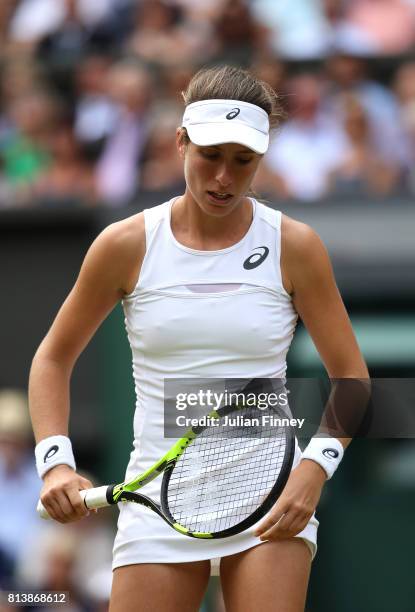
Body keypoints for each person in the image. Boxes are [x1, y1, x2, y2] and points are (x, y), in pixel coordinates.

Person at [29, 65, 369, 612]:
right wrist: (56, 461)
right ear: (181, 142)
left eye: (244, 161)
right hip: (155, 498)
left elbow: (353, 381)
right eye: (210, 156)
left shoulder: (296, 246)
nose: (224, 179)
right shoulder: (124, 244)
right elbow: (52, 358)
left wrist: (313, 470)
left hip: (270, 496)